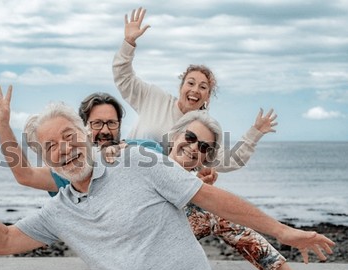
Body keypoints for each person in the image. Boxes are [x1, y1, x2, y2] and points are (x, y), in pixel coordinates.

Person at [0, 100, 335, 270]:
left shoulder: (138, 161)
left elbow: (214, 201)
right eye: (51, 146)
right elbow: (3, 242)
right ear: (45, 157)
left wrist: (286, 232)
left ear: (85, 136)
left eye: (70, 136)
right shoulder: (59, 209)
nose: (64, 148)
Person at [113, 7, 278, 172]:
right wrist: (129, 43)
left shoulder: (203, 129)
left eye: (203, 87)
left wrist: (255, 133)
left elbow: (229, 160)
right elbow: (123, 77)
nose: (195, 90)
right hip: (125, 171)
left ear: (208, 97)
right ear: (181, 87)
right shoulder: (154, 98)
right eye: (190, 83)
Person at [0, 85, 125, 192]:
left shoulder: (132, 151)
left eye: (112, 123)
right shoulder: (70, 171)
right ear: (84, 129)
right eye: (97, 123)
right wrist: (2, 126)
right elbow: (26, 175)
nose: (105, 130)